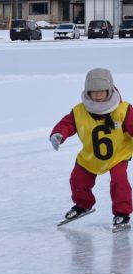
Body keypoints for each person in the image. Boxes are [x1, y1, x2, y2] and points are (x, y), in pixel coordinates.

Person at [50, 67, 133, 229]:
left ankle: (122, 213)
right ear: (88, 92)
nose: (98, 95)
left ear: (109, 90)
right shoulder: (80, 111)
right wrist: (58, 134)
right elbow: (67, 124)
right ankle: (83, 205)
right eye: (94, 92)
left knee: (119, 181)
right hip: (91, 155)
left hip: (118, 155)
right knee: (77, 180)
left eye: (101, 91)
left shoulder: (123, 109)